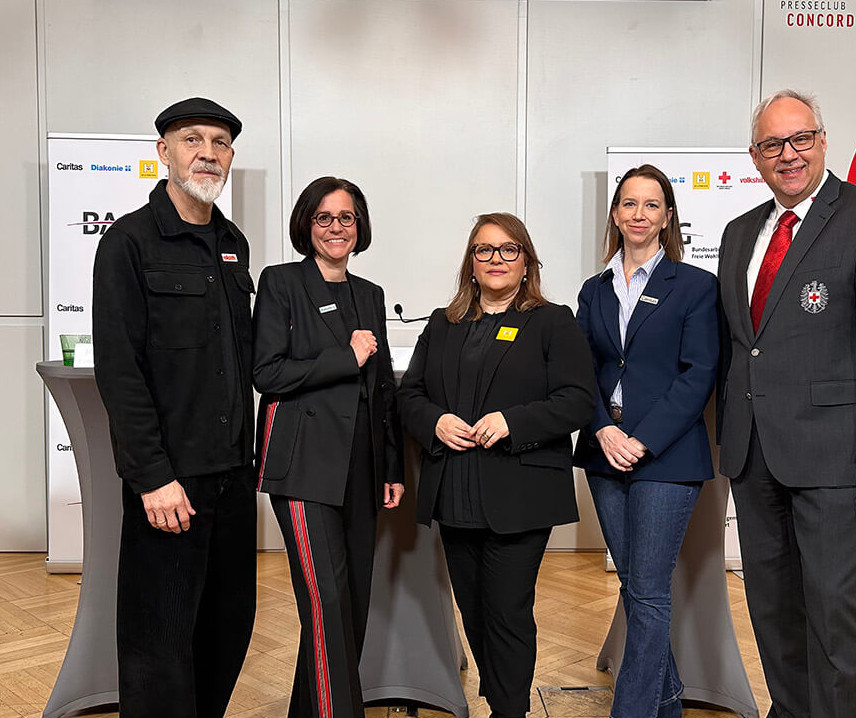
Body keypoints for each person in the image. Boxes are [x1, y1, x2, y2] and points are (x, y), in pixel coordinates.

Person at [716, 89, 856, 718]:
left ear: (824, 141)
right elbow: (741, 347)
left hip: (835, 460)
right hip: (754, 457)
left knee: (833, 616)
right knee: (773, 609)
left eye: (800, 138)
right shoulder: (739, 233)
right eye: (773, 144)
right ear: (755, 156)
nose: (789, 154)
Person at [93, 97, 256, 718]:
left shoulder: (231, 243)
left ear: (231, 157)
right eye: (192, 140)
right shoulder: (129, 242)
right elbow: (120, 370)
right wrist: (153, 477)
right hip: (171, 482)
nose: (207, 152)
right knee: (158, 641)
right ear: (163, 152)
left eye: (219, 142)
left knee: (228, 626)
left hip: (234, 478)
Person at [397, 213, 594, 718]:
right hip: (455, 488)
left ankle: (510, 711)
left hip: (519, 492)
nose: (497, 260)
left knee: (506, 610)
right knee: (474, 610)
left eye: (509, 250)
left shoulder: (552, 321)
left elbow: (576, 400)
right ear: (471, 262)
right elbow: (409, 396)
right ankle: (502, 696)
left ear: (526, 261)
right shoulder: (444, 323)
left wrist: (512, 420)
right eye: (485, 250)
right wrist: (436, 421)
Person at [253, 176, 404, 718]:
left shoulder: (370, 294)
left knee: (352, 604)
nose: (336, 228)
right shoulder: (281, 282)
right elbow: (266, 372)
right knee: (326, 603)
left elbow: (381, 387)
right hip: (304, 465)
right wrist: (346, 355)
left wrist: (391, 464)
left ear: (359, 226)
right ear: (306, 225)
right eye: (324, 217)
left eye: (346, 218)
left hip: (362, 468)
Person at [574, 165, 719, 718]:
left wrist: (642, 439)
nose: (639, 214)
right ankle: (669, 703)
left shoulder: (695, 286)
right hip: (603, 451)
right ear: (615, 214)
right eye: (629, 204)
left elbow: (698, 373)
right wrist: (604, 428)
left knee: (650, 591)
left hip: (667, 456)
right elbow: (578, 372)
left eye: (651, 205)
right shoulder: (594, 289)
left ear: (667, 216)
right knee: (637, 586)